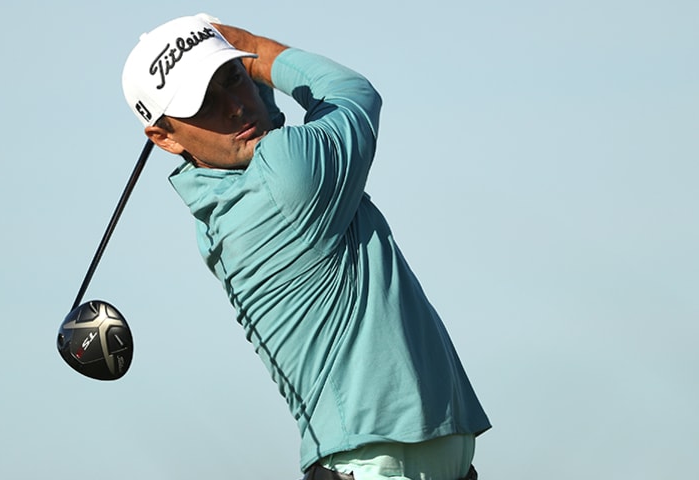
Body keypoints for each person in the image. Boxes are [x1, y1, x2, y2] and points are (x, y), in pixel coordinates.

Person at [121, 14, 491, 480]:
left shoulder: (231, 191)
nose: (235, 107)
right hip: (371, 466)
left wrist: (243, 69)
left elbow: (264, 123)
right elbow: (351, 93)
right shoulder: (289, 175)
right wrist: (253, 49)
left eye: (232, 79)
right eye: (204, 105)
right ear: (164, 136)